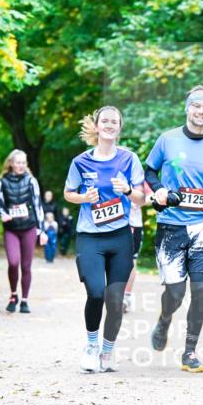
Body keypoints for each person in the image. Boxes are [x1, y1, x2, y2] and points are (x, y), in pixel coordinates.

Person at [144, 86, 203, 373]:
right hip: (171, 226)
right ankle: (165, 319)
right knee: (176, 294)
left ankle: (190, 352)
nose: (200, 111)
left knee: (201, 290)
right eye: (196, 106)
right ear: (187, 108)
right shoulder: (167, 140)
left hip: (202, 226)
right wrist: (160, 191)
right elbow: (149, 171)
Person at [64, 106, 145, 373]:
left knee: (114, 298)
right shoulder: (80, 162)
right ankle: (91, 346)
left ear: (119, 128)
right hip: (90, 237)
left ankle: (108, 352)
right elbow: (68, 193)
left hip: (121, 236)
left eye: (115, 122)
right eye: (105, 121)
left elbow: (141, 199)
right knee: (96, 292)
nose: (110, 125)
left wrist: (129, 190)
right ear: (97, 126)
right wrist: (84, 198)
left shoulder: (129, 159)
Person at [0, 150, 48, 313]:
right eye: (18, 163)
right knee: (13, 262)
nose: (21, 166)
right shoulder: (3, 181)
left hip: (29, 227)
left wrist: (42, 231)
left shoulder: (31, 181)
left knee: (26, 266)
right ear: (11, 163)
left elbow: (38, 205)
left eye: (23, 163)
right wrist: (3, 214)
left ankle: (24, 300)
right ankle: (13, 295)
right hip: (11, 229)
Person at [122, 184, 147, 313]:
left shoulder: (140, 177)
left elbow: (153, 197)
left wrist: (138, 201)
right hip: (115, 224)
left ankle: (126, 297)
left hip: (134, 225)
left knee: (131, 262)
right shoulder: (112, 170)